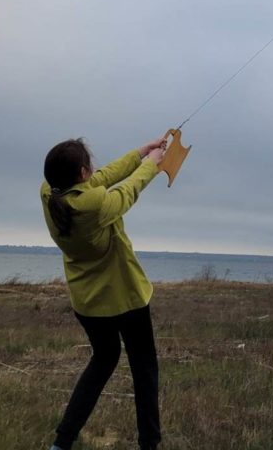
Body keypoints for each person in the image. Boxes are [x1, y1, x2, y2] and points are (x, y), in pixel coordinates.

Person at [41, 135, 167, 450]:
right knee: (144, 368)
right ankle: (149, 444)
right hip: (124, 297)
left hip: (87, 303)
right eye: (89, 167)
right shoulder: (94, 206)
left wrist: (140, 152)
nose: (94, 170)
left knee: (103, 360)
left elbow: (103, 177)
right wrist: (151, 165)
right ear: (82, 173)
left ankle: (62, 442)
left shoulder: (49, 193)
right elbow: (127, 190)